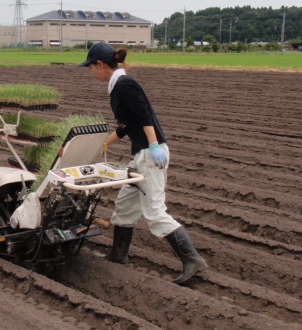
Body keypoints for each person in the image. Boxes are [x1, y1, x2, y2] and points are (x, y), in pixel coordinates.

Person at [79, 42, 207, 285]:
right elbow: (127, 126)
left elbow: (143, 115)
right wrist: (102, 146)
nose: (90, 72)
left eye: (90, 67)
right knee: (125, 206)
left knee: (155, 212)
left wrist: (154, 145)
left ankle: (192, 260)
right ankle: (118, 255)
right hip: (142, 155)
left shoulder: (125, 84)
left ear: (100, 64)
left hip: (150, 154)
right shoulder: (117, 85)